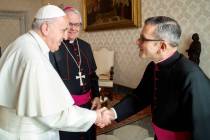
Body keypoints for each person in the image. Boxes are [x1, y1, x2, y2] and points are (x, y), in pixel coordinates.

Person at [0, 4, 112, 140]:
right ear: (46, 28)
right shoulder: (34, 58)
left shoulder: (22, 44)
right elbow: (52, 113)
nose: (66, 35)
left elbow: (91, 75)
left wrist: (95, 99)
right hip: (28, 133)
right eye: (63, 29)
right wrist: (96, 116)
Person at [103, 16, 210, 140]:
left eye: (143, 39)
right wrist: (112, 113)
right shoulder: (153, 66)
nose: (137, 42)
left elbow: (203, 131)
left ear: (162, 46)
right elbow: (140, 96)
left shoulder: (191, 76)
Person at [49, 6, 101, 140]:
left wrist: (96, 96)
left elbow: (92, 75)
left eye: (77, 24)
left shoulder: (85, 46)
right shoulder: (54, 47)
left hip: (88, 106)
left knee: (89, 136)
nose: (73, 28)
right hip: (66, 110)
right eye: (69, 24)